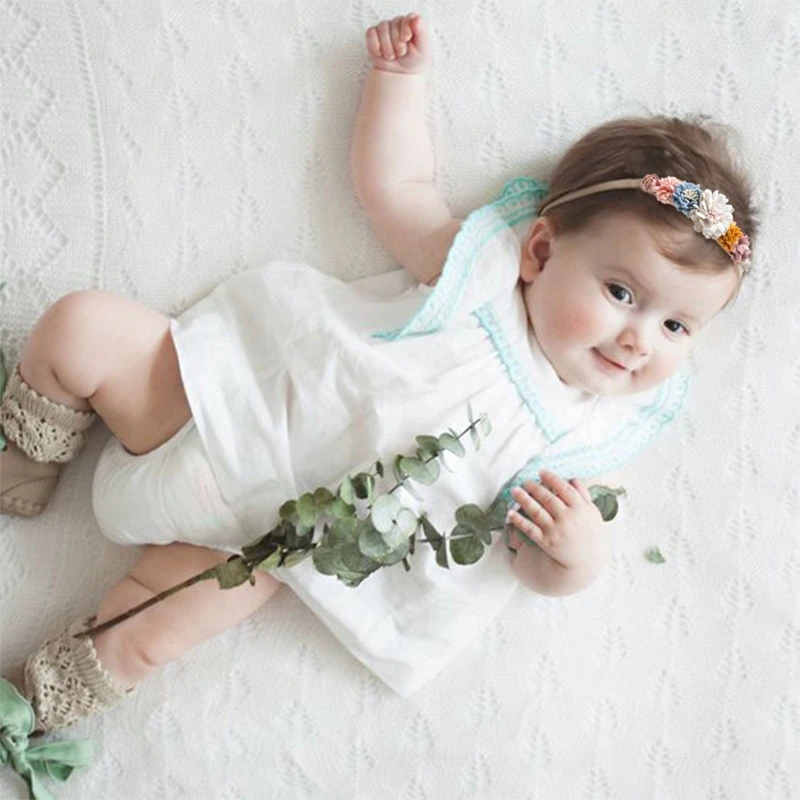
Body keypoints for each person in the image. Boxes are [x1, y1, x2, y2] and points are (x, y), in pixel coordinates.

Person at [0, 10, 757, 748]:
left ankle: (35, 703)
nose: (637, 339)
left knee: (147, 634)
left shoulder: (584, 434)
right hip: (213, 405)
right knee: (82, 326)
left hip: (263, 548)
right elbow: (398, 186)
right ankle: (27, 462)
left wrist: (575, 557)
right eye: (622, 293)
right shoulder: (479, 279)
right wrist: (398, 80)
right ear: (540, 252)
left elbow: (526, 561)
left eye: (676, 327)